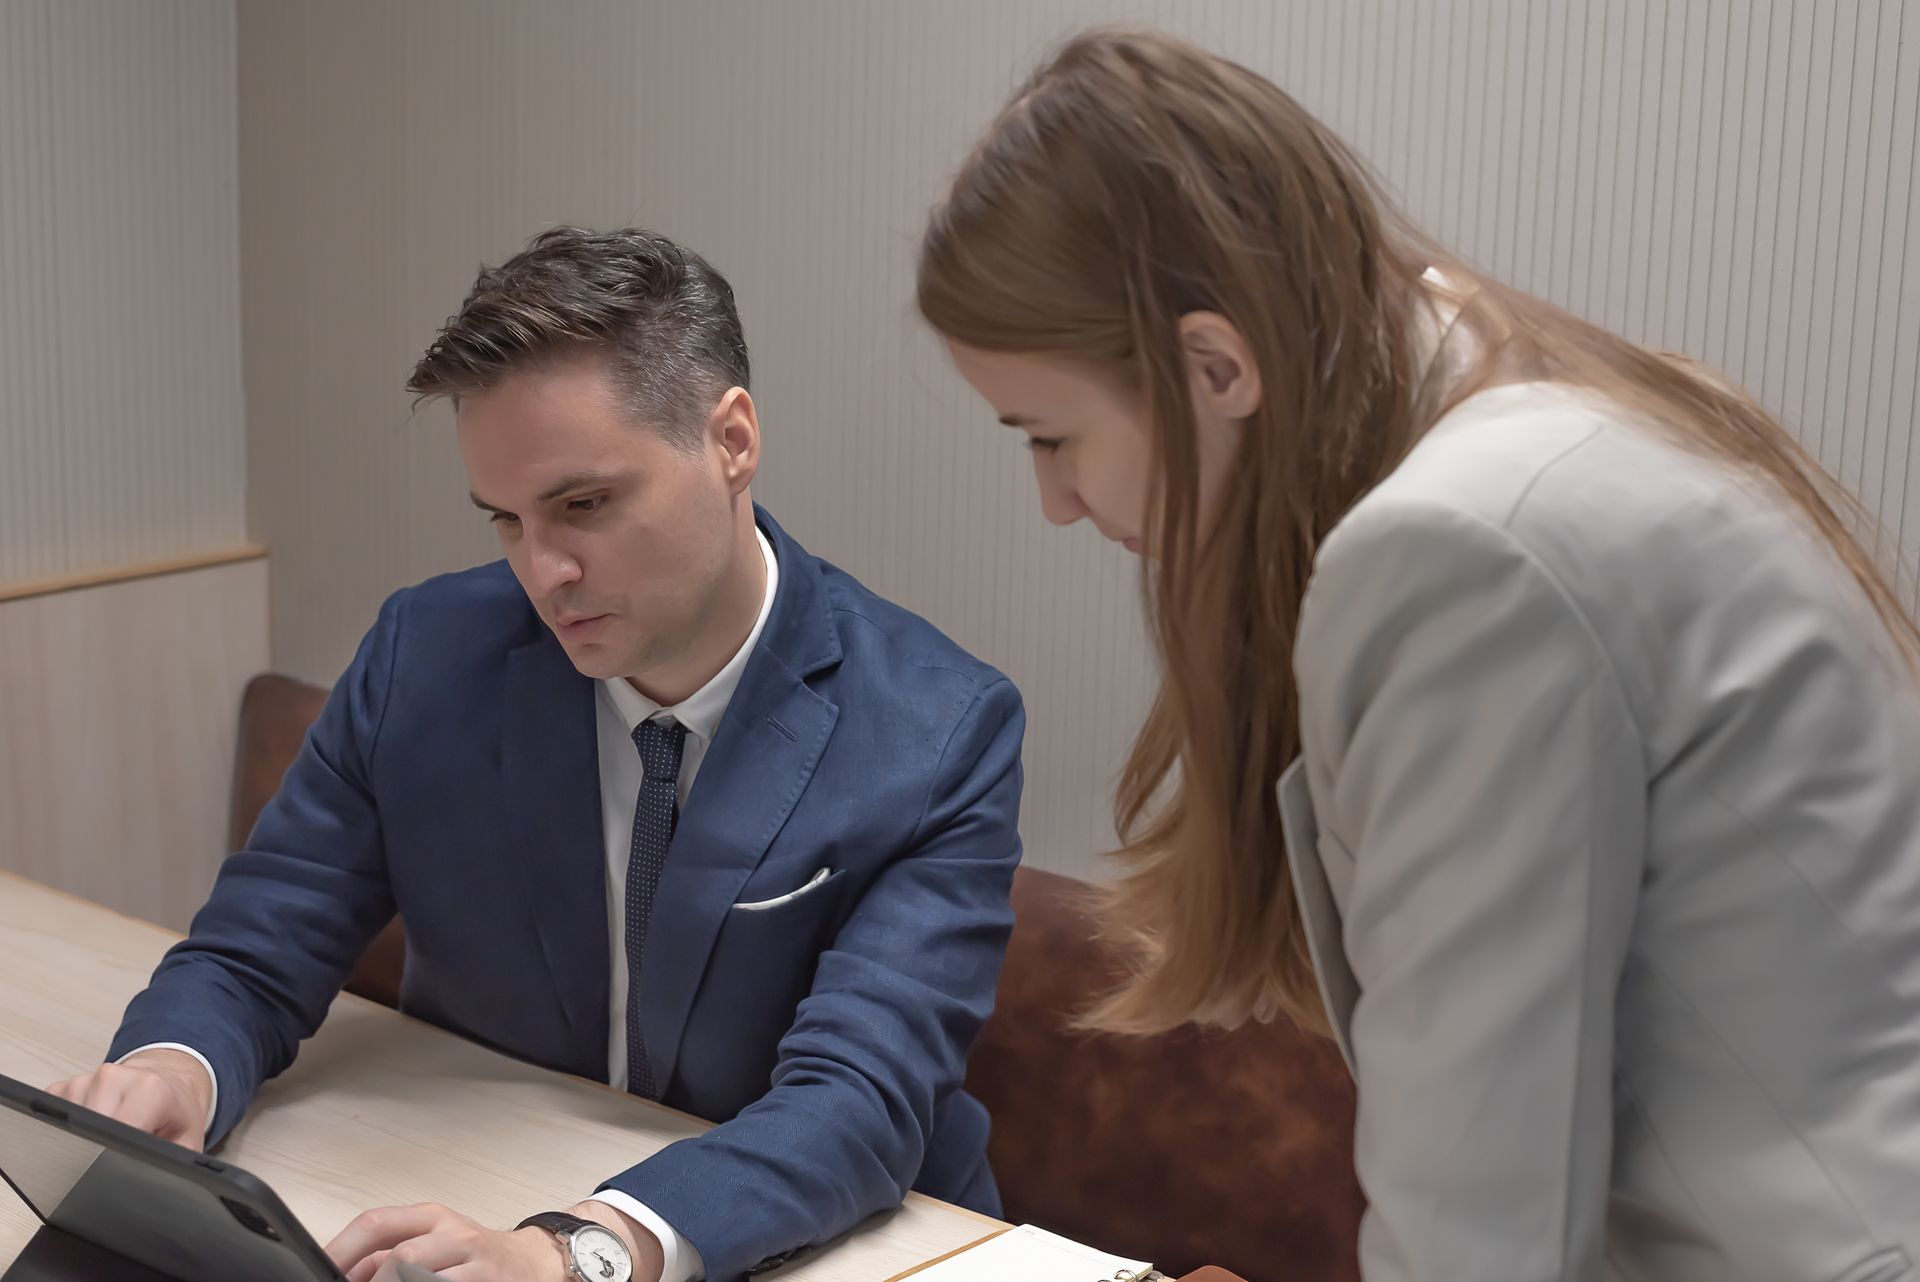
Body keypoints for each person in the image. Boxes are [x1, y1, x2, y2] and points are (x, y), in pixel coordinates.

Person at [917, 28, 1920, 1282]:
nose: (1056, 501)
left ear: (1214, 366)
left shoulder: (1459, 551)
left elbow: (1480, 1228)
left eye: (1047, 435)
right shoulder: (1540, 397)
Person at [49, 227, 1026, 1282]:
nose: (543, 571)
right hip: (482, 1179)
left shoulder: (939, 728)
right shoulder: (422, 656)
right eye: (505, 521)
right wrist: (173, 1065)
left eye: (584, 504)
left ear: (732, 439)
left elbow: (858, 1100)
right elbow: (253, 950)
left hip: (834, 1244)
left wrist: (583, 1252)